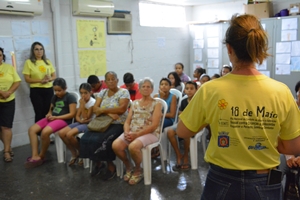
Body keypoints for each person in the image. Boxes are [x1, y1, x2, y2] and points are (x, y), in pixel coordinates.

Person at [177, 14, 300, 200]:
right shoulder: (281, 92)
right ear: (259, 47)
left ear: (229, 48)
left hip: (220, 180)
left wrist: (209, 120)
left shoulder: (210, 89)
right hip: (265, 181)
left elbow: (183, 131)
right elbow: (292, 145)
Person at [80, 71, 130, 181]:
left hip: (118, 123)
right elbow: (95, 110)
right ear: (105, 82)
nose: (111, 81)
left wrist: (103, 110)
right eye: (108, 79)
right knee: (85, 139)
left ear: (117, 80)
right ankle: (98, 163)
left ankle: (111, 166)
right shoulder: (102, 93)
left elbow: (122, 109)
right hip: (101, 123)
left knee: (102, 140)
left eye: (113, 79)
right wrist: (109, 113)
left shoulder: (124, 92)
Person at [112, 77, 162, 185]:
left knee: (133, 146)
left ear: (152, 89)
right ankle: (129, 166)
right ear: (139, 88)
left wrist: (137, 134)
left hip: (150, 133)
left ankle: (139, 170)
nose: (146, 89)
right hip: (133, 132)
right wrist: (126, 132)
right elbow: (127, 121)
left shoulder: (157, 104)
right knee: (116, 145)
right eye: (143, 86)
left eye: (148, 87)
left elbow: (154, 125)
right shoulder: (134, 103)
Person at [24, 78, 77, 168]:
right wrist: (49, 114)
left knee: (45, 132)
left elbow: (72, 114)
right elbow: (51, 110)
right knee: (32, 130)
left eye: (59, 91)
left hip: (63, 120)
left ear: (65, 88)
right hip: (53, 118)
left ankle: (41, 156)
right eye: (55, 90)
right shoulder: (54, 97)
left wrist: (57, 117)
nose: (57, 93)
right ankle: (35, 155)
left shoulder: (70, 97)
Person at [58, 83, 95, 166]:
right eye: (81, 93)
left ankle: (82, 153)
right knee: (61, 133)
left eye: (86, 93)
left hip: (90, 124)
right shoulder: (81, 101)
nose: (83, 95)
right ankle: (74, 152)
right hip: (82, 122)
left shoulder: (92, 103)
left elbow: (86, 117)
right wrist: (80, 120)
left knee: (69, 135)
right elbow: (77, 116)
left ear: (90, 93)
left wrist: (82, 106)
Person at [22, 42, 56, 123]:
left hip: (48, 89)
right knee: (39, 113)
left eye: (41, 49)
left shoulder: (47, 61)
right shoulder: (29, 62)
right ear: (33, 51)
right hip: (36, 90)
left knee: (48, 112)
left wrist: (49, 79)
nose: (39, 51)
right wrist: (41, 81)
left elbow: (54, 76)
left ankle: (47, 132)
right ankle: (39, 133)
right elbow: (27, 79)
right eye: (36, 49)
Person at [167, 81, 197, 171]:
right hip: (184, 122)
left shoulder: (198, 101)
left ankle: (186, 156)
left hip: (196, 125)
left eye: (192, 89)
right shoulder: (184, 101)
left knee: (185, 132)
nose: (189, 91)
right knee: (170, 132)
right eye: (187, 89)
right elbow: (180, 112)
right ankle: (178, 155)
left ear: (196, 90)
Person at [0, 47, 21, 162]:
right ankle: (8, 146)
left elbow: (17, 81)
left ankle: (6, 151)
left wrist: (8, 92)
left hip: (8, 100)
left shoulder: (9, 68)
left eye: (0, 55)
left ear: (3, 56)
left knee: (6, 126)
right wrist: (1, 92)